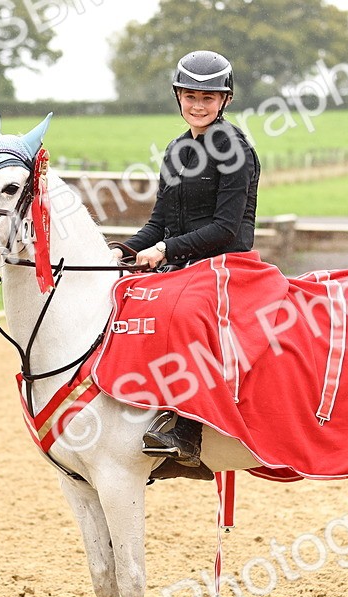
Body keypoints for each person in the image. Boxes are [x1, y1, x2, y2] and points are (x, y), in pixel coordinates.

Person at [110, 49, 261, 468]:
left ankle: (187, 430)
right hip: (179, 262)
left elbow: (226, 229)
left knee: (183, 313)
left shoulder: (236, 150)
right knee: (123, 298)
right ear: (178, 96)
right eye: (190, 96)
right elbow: (159, 221)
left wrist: (164, 251)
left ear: (225, 100)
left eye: (208, 98)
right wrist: (123, 249)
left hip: (225, 263)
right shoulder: (177, 149)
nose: (198, 105)